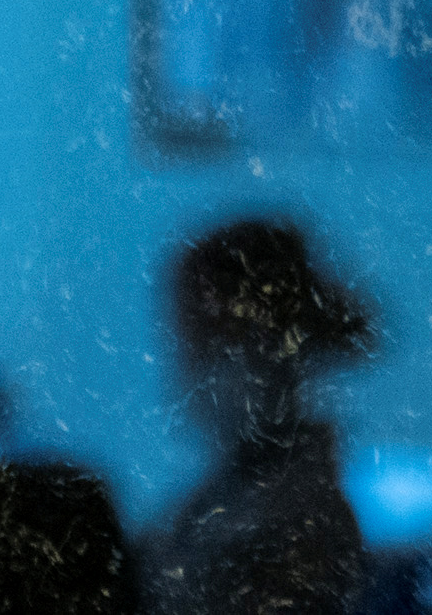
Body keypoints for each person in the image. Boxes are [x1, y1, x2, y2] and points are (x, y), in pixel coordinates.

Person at [145, 215, 377, 615]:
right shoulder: (227, 495)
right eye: (188, 346)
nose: (188, 374)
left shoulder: (299, 521)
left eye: (206, 347)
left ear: (269, 351)